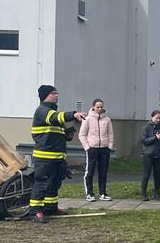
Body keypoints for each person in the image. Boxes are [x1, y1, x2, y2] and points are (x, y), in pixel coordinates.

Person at [30, 85, 84, 223]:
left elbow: (60, 135)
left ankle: (51, 208)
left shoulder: (54, 115)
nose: (56, 95)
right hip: (44, 158)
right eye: (53, 93)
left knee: (54, 185)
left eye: (57, 93)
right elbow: (55, 117)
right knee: (42, 185)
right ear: (45, 95)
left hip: (57, 158)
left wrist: (69, 132)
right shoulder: (43, 111)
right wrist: (73, 114)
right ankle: (35, 212)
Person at [79, 98, 114, 202]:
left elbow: (111, 134)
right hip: (92, 149)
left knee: (103, 172)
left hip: (104, 149)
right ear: (93, 107)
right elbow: (82, 135)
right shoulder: (88, 119)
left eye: (101, 107)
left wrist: (109, 147)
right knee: (89, 171)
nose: (99, 109)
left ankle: (103, 193)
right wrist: (87, 147)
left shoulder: (107, 119)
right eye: (97, 107)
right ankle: (89, 193)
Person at [140, 110, 160, 201]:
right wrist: (155, 138)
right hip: (148, 154)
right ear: (152, 117)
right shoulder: (146, 127)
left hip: (159, 155)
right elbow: (144, 141)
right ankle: (143, 194)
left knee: (157, 175)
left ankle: (157, 194)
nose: (158, 120)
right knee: (146, 174)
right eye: (156, 118)